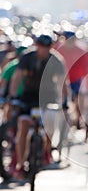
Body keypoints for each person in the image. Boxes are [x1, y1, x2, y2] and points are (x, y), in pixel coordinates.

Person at [9, 34, 68, 179]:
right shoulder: (27, 57)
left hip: (48, 97)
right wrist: (13, 96)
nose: (44, 50)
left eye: (47, 47)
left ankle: (46, 151)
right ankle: (21, 163)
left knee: (50, 122)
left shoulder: (56, 60)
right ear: (37, 45)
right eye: (41, 47)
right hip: (29, 96)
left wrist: (65, 101)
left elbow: (62, 83)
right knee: (23, 126)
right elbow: (17, 77)